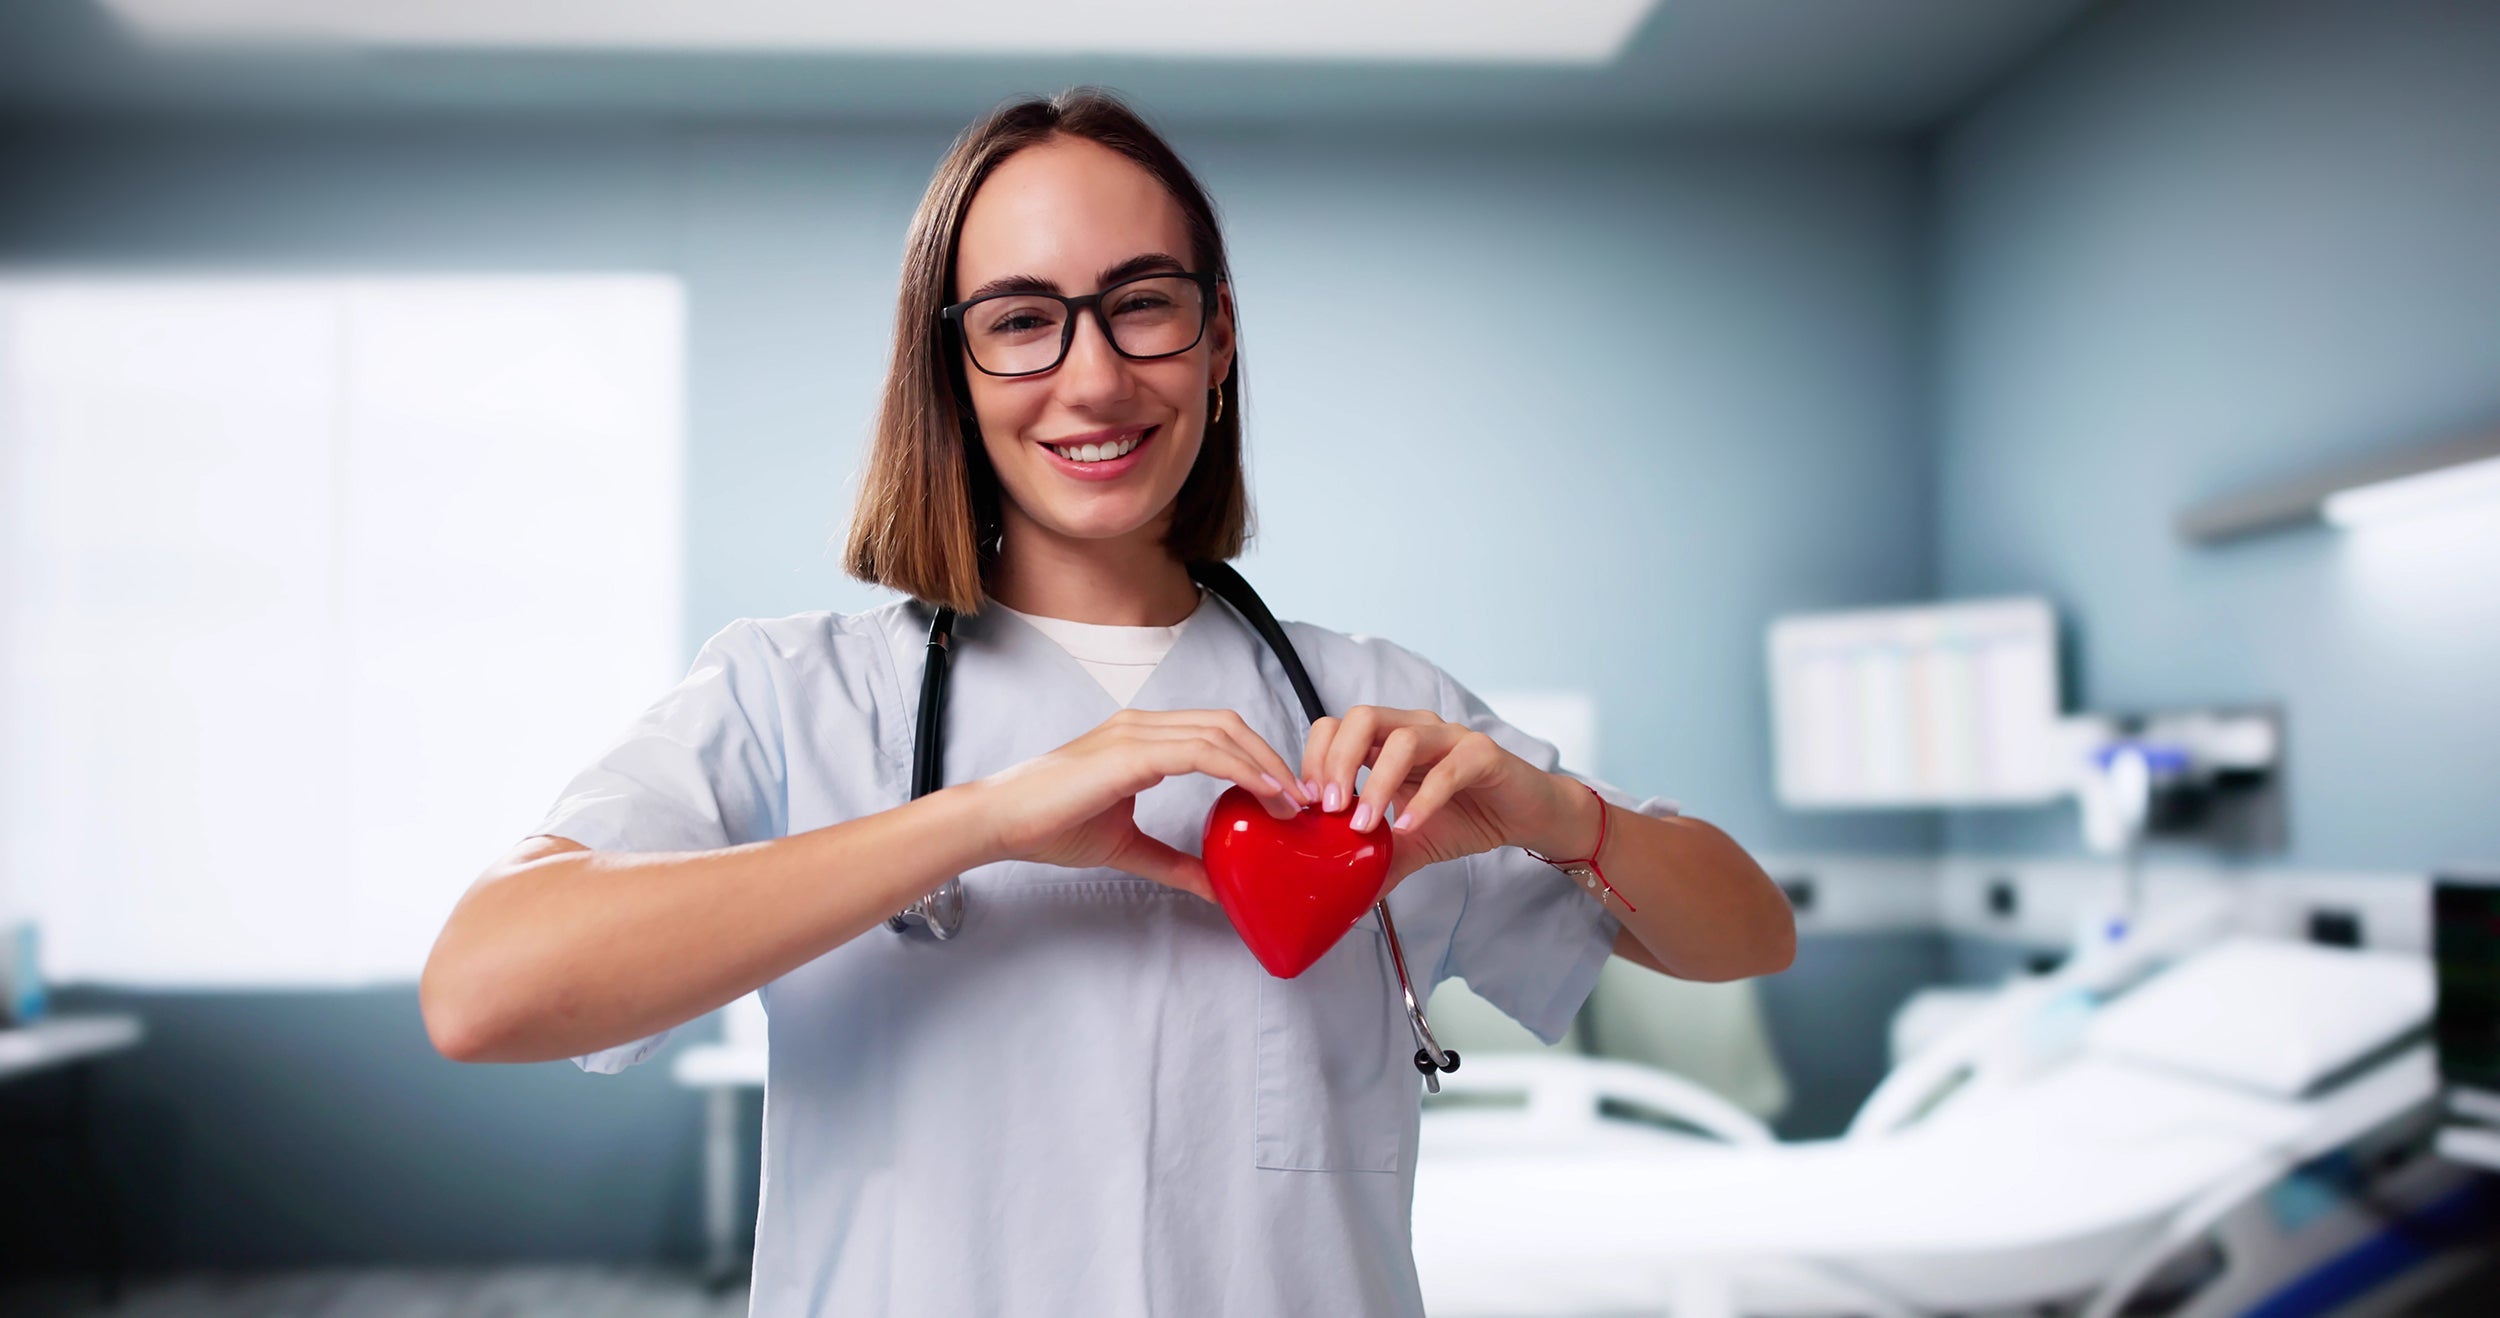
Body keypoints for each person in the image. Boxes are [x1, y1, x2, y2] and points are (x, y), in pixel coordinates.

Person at [421, 87, 1793, 1317]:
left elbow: (1750, 935)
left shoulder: (1374, 715)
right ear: (951, 366)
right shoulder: (795, 697)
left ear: (1218, 336)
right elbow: (484, 992)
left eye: (1143, 303)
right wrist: (982, 818)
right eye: (1022, 321)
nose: (1094, 377)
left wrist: (1558, 813)